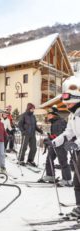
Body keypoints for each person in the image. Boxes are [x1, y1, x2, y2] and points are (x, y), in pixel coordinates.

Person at [51, 75, 80, 216]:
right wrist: (58, 140)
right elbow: (68, 132)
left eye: (69, 104)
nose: (67, 106)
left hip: (78, 147)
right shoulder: (72, 115)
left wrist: (76, 143)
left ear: (76, 101)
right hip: (78, 150)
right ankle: (79, 207)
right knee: (77, 180)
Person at [41, 107, 72, 186]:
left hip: (61, 144)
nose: (47, 116)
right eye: (47, 114)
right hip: (54, 143)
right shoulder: (54, 122)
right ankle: (50, 175)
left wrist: (51, 138)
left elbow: (61, 134)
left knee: (63, 161)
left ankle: (67, 179)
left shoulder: (60, 122)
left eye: (49, 114)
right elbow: (54, 134)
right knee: (49, 159)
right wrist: (49, 138)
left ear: (54, 115)